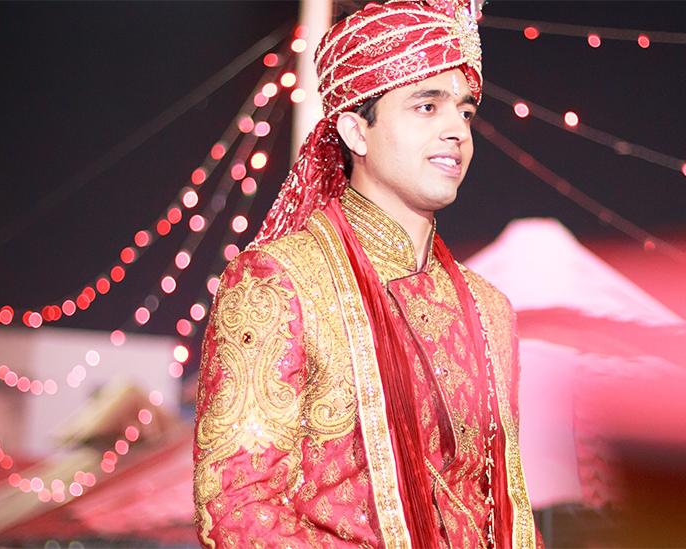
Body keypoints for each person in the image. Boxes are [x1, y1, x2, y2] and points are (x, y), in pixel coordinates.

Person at [193, 1, 538, 547]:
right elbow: (237, 509)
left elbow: (509, 506)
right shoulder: (276, 283)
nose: (456, 130)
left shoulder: (489, 309)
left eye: (465, 112)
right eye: (427, 107)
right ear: (355, 130)